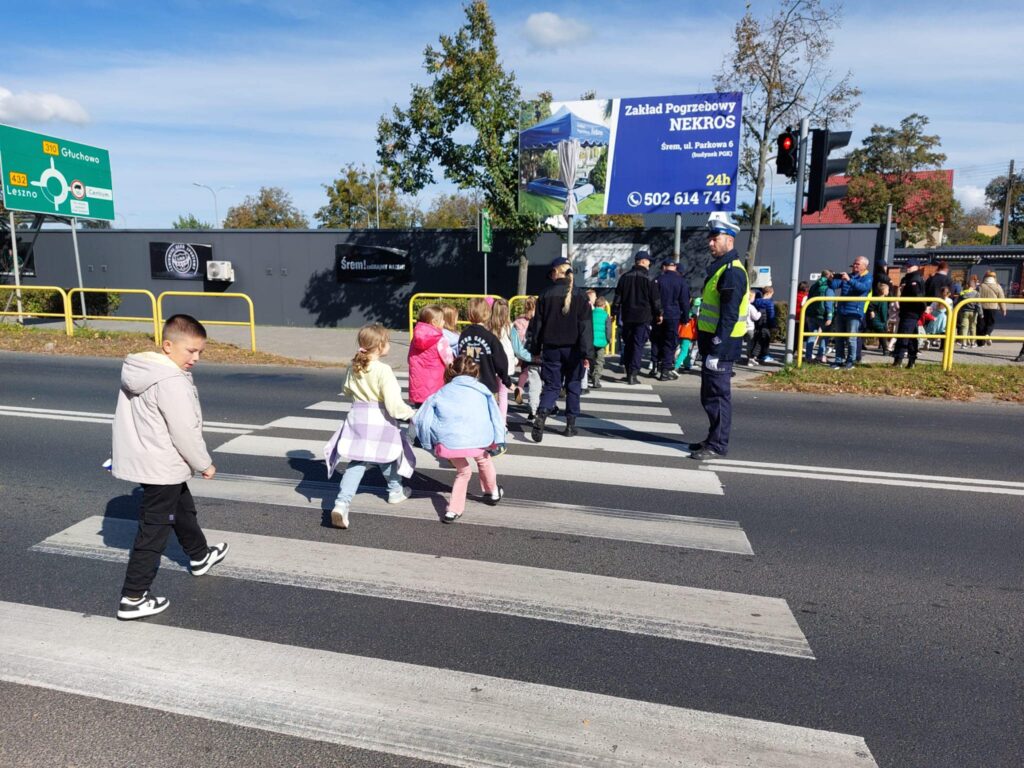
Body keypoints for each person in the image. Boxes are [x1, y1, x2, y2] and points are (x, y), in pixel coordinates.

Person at [112, 314, 229, 620]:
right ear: (168, 345)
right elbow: (184, 430)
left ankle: (200, 555)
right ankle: (133, 597)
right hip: (162, 465)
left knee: (182, 509)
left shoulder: (143, 369)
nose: (196, 358)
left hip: (153, 460)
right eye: (191, 350)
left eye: (200, 351)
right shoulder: (171, 380)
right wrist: (204, 463)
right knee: (154, 531)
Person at [325, 324, 415, 530]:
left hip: (358, 418)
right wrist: (410, 414)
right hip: (379, 419)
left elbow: (346, 390)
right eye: (388, 341)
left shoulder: (354, 366)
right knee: (388, 454)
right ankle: (390, 492)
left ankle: (345, 501)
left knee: (361, 459)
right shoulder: (384, 370)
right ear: (381, 345)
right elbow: (393, 404)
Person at [413, 354, 506, 522]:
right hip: (478, 439)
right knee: (484, 460)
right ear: (476, 374)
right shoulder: (483, 391)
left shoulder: (442, 391)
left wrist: (428, 441)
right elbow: (496, 416)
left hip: (450, 442)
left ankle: (453, 510)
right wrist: (499, 439)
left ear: (453, 372)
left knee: (463, 472)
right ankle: (492, 492)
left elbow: (421, 417)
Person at [690, 213, 748, 461]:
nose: (710, 243)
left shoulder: (732, 272)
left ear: (729, 239)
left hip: (722, 347)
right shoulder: (722, 268)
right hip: (714, 345)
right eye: (710, 238)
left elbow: (729, 315)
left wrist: (716, 348)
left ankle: (718, 445)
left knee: (717, 396)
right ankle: (713, 438)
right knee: (709, 395)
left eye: (715, 238)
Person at [526, 256, 594, 442]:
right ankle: (570, 425)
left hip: (551, 348)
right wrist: (588, 353)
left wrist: (535, 349)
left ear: (556, 272)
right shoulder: (581, 296)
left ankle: (542, 414)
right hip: (574, 349)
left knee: (552, 386)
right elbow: (586, 327)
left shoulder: (545, 295)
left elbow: (537, 326)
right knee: (573, 385)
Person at [611, 250, 662, 384]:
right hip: (643, 316)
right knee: (638, 345)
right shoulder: (649, 279)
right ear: (644, 261)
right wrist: (659, 314)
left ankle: (628, 371)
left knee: (628, 344)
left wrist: (613, 312)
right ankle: (633, 373)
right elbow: (655, 300)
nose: (649, 263)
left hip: (627, 316)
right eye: (648, 261)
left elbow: (617, 298)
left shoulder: (624, 277)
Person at [457, 298, 511, 396]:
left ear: (469, 314)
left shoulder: (463, 335)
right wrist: (506, 380)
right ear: (487, 313)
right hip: (487, 384)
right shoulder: (490, 338)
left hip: (466, 383)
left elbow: (459, 356)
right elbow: (501, 362)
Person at [828, 255, 872, 369]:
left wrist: (849, 280)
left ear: (864, 266)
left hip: (854, 312)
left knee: (851, 338)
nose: (854, 266)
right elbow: (834, 285)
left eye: (857, 264)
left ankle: (850, 360)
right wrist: (831, 278)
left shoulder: (867, 277)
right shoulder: (849, 275)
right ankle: (838, 360)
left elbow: (863, 288)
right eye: (854, 263)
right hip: (841, 311)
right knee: (838, 337)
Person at [652, 255, 690, 380]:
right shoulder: (681, 281)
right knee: (670, 343)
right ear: (675, 267)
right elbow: (685, 302)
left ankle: (655, 365)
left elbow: (652, 299)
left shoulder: (657, 280)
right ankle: (665, 370)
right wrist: (685, 318)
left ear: (664, 267)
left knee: (657, 340)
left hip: (658, 315)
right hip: (673, 315)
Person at [408, 305, 454, 406]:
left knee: (420, 410)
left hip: (418, 387)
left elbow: (409, 358)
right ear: (434, 322)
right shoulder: (441, 339)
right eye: (442, 320)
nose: (444, 322)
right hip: (435, 386)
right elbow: (449, 360)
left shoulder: (415, 337)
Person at [485, 297, 517, 421]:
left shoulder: (488, 327)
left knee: (491, 393)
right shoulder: (510, 327)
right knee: (503, 395)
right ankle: (502, 423)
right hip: (506, 364)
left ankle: (490, 419)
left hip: (491, 364)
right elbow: (516, 346)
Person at [893, 259, 926, 368]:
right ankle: (910, 361)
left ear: (917, 266)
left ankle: (899, 359)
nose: (908, 267)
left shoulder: (915, 278)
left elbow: (917, 295)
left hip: (911, 311)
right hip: (907, 310)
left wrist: (923, 308)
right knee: (910, 336)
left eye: (910, 266)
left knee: (904, 335)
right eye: (907, 265)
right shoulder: (907, 278)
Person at [512, 297, 541, 419]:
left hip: (520, 350)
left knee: (524, 372)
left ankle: (519, 387)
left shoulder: (519, 321)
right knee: (535, 380)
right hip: (532, 351)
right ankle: (534, 405)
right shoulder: (536, 320)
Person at [803, 272, 834, 363]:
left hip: (811, 314)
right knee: (825, 336)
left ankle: (808, 356)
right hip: (822, 315)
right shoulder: (828, 287)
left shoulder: (814, 286)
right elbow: (828, 303)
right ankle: (820, 355)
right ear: (829, 276)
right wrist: (829, 316)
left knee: (812, 335)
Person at [978, 271, 1007, 346]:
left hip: (981, 308)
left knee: (981, 324)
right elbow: (1001, 298)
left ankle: (980, 342)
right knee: (990, 323)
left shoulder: (981, 286)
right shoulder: (997, 286)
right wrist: (1003, 309)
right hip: (992, 308)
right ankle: (987, 334)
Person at [589, 293, 612, 388]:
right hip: (601, 342)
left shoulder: (590, 314)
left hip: (590, 341)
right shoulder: (606, 315)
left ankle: (590, 375)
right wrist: (608, 340)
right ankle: (596, 379)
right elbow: (608, 330)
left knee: (590, 359)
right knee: (599, 361)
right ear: (603, 305)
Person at [749, 286, 776, 363]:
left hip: (757, 324)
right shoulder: (769, 303)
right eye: (772, 294)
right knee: (765, 340)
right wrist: (773, 325)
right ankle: (763, 355)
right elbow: (771, 315)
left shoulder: (756, 301)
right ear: (768, 293)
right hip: (765, 324)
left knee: (758, 338)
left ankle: (761, 355)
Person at [865, 282, 891, 353]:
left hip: (874, 320)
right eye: (888, 290)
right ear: (883, 291)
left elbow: (870, 305)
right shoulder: (883, 300)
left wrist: (871, 311)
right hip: (880, 322)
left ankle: (861, 344)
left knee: (867, 331)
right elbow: (883, 312)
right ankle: (885, 350)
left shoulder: (875, 299)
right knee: (882, 336)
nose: (888, 291)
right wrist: (885, 321)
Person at [956, 276, 981, 348]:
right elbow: (978, 304)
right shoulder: (976, 293)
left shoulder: (962, 293)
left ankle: (964, 343)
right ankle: (973, 343)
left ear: (967, 286)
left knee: (964, 327)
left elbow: (958, 303)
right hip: (974, 312)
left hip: (964, 312)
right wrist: (981, 313)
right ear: (974, 286)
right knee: (973, 327)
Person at [743, 291, 762, 367]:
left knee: (738, 343)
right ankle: (750, 359)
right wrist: (760, 313)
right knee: (750, 344)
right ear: (751, 298)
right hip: (750, 328)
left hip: (741, 328)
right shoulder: (751, 307)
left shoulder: (741, 305)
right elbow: (756, 317)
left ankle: (736, 358)